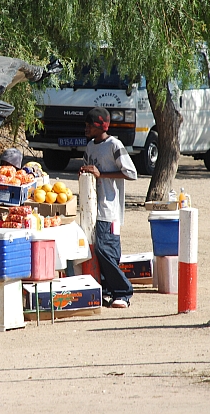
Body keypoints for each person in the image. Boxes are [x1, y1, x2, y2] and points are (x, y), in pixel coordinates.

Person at [78, 107, 138, 308]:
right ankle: (108, 291)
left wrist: (101, 174)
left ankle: (124, 292)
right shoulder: (90, 146)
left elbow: (131, 173)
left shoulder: (114, 145)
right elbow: (89, 170)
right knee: (96, 251)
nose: (85, 128)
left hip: (110, 208)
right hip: (93, 208)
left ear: (99, 126)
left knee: (107, 249)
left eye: (89, 125)